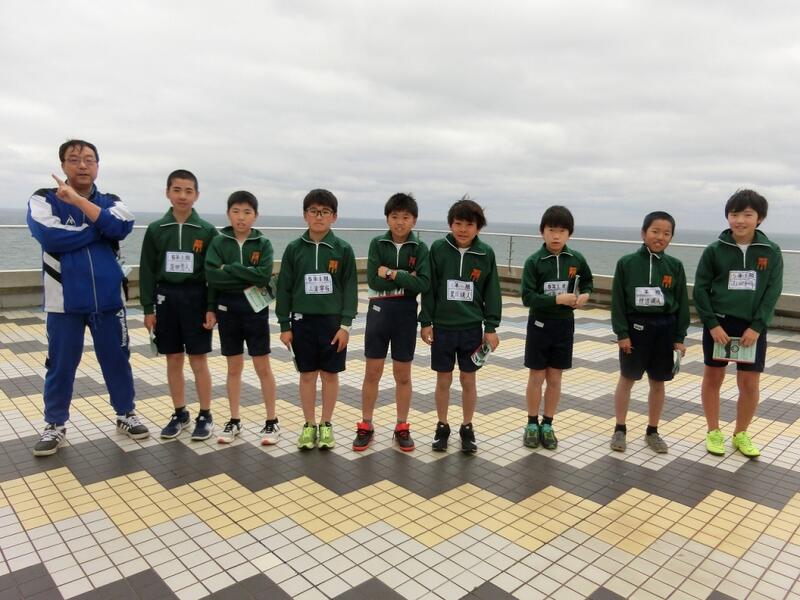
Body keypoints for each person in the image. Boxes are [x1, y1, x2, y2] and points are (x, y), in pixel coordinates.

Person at [26, 139, 148, 456]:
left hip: (109, 300)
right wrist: (98, 227)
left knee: (117, 360)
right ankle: (55, 424)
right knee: (60, 364)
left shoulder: (112, 200)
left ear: (97, 166)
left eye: (89, 159)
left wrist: (80, 203)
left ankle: (126, 413)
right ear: (63, 165)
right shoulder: (43, 199)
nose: (82, 165)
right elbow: (50, 236)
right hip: (63, 301)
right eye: (74, 159)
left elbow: (122, 225)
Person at [693, 189, 783, 458]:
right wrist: (712, 324)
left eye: (747, 215)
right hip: (719, 325)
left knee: (749, 383)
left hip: (751, 328)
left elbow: (772, 292)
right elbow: (700, 289)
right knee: (713, 378)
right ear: (727, 217)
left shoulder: (771, 251)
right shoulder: (714, 250)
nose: (740, 221)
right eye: (734, 214)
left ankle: (741, 433)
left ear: (760, 218)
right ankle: (713, 431)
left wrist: (757, 326)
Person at [139, 170, 219, 441]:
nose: (182, 196)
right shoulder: (156, 229)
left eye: (188, 191)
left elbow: (213, 274)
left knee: (198, 359)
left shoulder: (207, 231)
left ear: (196, 195)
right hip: (166, 298)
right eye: (177, 190)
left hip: (196, 298)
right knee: (173, 358)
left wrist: (211, 306)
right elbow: (147, 271)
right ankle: (179, 413)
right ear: (167, 193)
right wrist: (148, 308)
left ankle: (205, 414)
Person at [275, 189, 357, 450]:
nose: (319, 216)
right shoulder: (294, 249)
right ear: (305, 215)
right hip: (302, 322)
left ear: (334, 216)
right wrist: (285, 325)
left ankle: (326, 424)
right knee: (307, 375)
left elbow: (350, 289)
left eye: (325, 212)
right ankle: (309, 425)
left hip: (333, 324)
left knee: (330, 375)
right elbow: (284, 288)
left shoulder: (343, 250)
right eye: (313, 211)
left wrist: (345, 326)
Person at [419, 197, 501, 452]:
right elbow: (430, 288)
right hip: (442, 327)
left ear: (478, 227)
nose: (463, 229)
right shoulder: (438, 249)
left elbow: (492, 292)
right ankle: (442, 426)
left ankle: (467, 427)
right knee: (443, 380)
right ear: (450, 224)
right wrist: (426, 321)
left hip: (471, 328)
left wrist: (491, 327)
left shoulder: (485, 253)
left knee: (468, 379)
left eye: (469, 224)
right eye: (458, 223)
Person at [353, 193, 431, 451]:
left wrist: (390, 273)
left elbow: (423, 284)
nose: (400, 222)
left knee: (403, 374)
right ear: (387, 218)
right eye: (395, 216)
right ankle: (366, 424)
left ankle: (401, 425)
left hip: (406, 314)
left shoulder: (420, 248)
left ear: (414, 221)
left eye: (405, 217)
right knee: (372, 372)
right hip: (379, 311)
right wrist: (408, 277)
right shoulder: (377, 243)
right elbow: (373, 281)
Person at [609, 211, 689, 453]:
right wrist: (622, 333)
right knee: (627, 379)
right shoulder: (627, 263)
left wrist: (679, 337)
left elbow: (682, 303)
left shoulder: (675, 266)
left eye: (666, 233)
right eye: (655, 231)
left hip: (665, 329)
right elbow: (618, 301)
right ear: (643, 233)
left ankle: (652, 431)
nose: (660, 237)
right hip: (635, 328)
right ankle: (620, 429)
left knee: (658, 382)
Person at [205, 191, 280, 445]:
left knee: (262, 366)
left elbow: (263, 276)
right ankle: (234, 419)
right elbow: (212, 278)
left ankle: (271, 421)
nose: (241, 217)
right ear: (228, 214)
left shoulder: (263, 243)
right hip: (227, 309)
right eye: (236, 211)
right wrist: (246, 275)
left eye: (247, 212)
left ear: (255, 216)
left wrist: (229, 269)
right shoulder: (219, 241)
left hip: (255, 310)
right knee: (233, 367)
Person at [521, 206, 592, 450]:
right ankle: (532, 423)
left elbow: (588, 282)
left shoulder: (576, 259)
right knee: (536, 376)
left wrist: (585, 295)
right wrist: (557, 299)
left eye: (562, 231)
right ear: (542, 232)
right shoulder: (534, 261)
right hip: (539, 325)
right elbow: (528, 297)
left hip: (564, 325)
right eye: (551, 230)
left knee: (555, 377)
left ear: (569, 234)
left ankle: (548, 424)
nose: (556, 236)